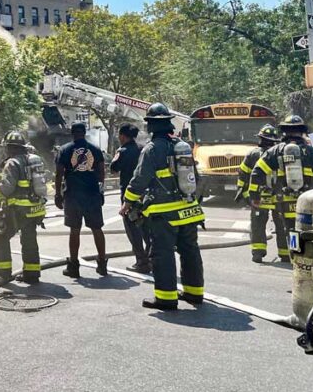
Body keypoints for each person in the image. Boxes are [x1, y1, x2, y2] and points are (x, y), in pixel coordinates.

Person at [119, 103, 204, 311]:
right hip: (189, 210)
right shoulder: (181, 146)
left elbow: (139, 180)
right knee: (190, 251)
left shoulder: (152, 149)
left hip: (164, 214)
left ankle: (166, 298)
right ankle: (194, 293)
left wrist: (127, 202)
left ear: (150, 126)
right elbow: (196, 178)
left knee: (162, 254)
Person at [249, 114, 313, 263]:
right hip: (309, 202)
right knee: (311, 230)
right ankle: (312, 259)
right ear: (302, 131)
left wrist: (254, 196)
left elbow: (257, 172)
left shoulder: (275, 151)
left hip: (285, 201)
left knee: (291, 230)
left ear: (284, 132)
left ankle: (296, 260)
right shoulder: (311, 152)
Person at [0, 130, 47, 284]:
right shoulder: (33, 160)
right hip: (35, 209)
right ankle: (32, 274)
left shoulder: (12, 163)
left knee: (0, 236)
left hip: (18, 210)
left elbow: (6, 189)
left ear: (10, 148)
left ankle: (4, 272)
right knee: (29, 240)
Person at [55, 121, 107, 278]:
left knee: (74, 230)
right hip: (92, 194)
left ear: (72, 132)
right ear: (85, 132)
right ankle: (102, 264)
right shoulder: (96, 150)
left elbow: (59, 173)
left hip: (73, 195)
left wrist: (58, 194)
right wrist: (101, 192)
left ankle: (73, 266)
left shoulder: (64, 150)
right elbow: (101, 173)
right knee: (97, 228)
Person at [237, 124, 282, 263]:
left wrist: (246, 196)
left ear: (260, 138)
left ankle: (258, 253)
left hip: (258, 197)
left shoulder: (252, 154)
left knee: (257, 225)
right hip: (278, 198)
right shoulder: (280, 153)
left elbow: (243, 176)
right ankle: (285, 253)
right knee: (281, 225)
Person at [110, 123, 151, 274]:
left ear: (122, 135)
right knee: (146, 226)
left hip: (129, 195)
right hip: (145, 194)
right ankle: (150, 257)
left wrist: (116, 155)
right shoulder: (143, 149)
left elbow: (113, 169)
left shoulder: (123, 151)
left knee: (132, 229)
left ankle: (141, 261)